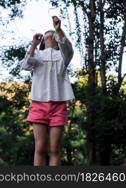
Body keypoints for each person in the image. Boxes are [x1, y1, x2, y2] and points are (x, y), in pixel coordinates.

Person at [21, 16, 75, 166]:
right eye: (47, 34)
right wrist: (33, 44)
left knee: (55, 149)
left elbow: (68, 48)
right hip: (39, 104)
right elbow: (25, 65)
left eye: (53, 35)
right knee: (40, 147)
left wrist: (59, 29)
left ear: (57, 41)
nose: (50, 35)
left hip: (58, 105)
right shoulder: (37, 56)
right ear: (43, 41)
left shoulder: (63, 56)